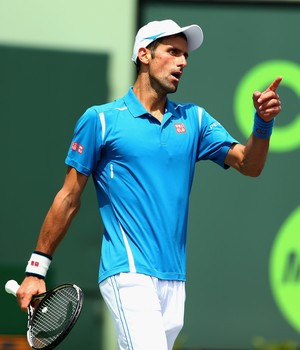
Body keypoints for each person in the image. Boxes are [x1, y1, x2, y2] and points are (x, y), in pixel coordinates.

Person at [16, 19, 282, 350]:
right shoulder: (101, 120)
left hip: (174, 278)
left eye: (185, 55)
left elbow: (250, 164)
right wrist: (36, 270)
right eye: (173, 52)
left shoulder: (195, 120)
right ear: (144, 54)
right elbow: (69, 197)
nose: (183, 62)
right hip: (127, 271)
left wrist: (263, 123)